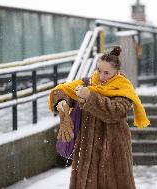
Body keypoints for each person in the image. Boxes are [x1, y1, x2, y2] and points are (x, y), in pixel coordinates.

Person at [48, 46, 150, 189]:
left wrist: (90, 97)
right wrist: (61, 102)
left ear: (116, 73)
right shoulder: (88, 83)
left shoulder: (123, 89)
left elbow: (116, 112)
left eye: (107, 73)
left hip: (113, 149)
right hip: (86, 150)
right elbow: (62, 90)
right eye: (99, 70)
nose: (101, 76)